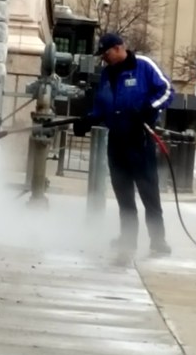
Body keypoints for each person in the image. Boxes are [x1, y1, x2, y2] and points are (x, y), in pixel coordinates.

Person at [73, 32, 174, 258]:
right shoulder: (108, 74)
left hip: (140, 139)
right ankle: (128, 238)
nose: (104, 58)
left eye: (106, 53)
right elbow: (102, 105)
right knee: (123, 193)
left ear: (119, 48)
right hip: (117, 140)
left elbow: (167, 90)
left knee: (149, 193)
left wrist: (149, 108)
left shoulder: (144, 66)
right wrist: (88, 120)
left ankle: (158, 240)